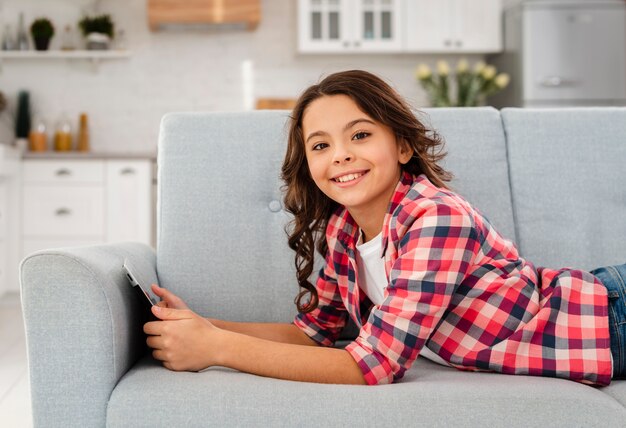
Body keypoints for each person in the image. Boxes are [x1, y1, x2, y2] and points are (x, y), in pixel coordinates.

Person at [144, 69, 626, 386]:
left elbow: (373, 365)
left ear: (401, 147)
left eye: (359, 134)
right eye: (320, 145)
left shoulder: (436, 218)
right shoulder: (342, 233)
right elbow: (315, 334)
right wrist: (205, 325)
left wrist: (218, 349)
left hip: (606, 320)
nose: (341, 155)